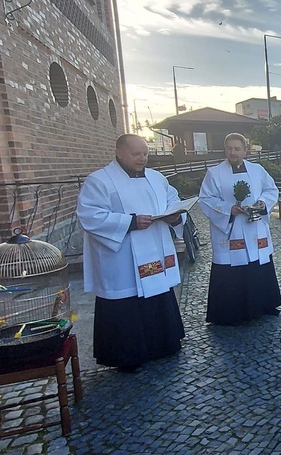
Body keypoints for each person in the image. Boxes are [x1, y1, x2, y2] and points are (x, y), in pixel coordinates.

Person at [77, 134, 186, 372]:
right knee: (127, 303)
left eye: (145, 153)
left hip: (155, 249)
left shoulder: (157, 178)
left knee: (158, 293)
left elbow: (173, 200)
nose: (142, 158)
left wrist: (174, 215)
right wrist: (129, 223)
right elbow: (89, 215)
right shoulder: (100, 181)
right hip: (123, 256)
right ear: (119, 152)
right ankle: (127, 355)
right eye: (136, 154)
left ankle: (164, 345)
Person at [199, 132, 281, 325]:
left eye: (237, 149)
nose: (233, 152)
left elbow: (271, 190)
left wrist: (262, 203)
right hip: (231, 229)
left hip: (254, 227)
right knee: (232, 270)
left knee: (258, 264)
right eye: (229, 148)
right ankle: (230, 312)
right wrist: (229, 209)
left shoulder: (257, 170)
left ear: (245, 150)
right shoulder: (214, 173)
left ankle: (263, 306)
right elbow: (205, 199)